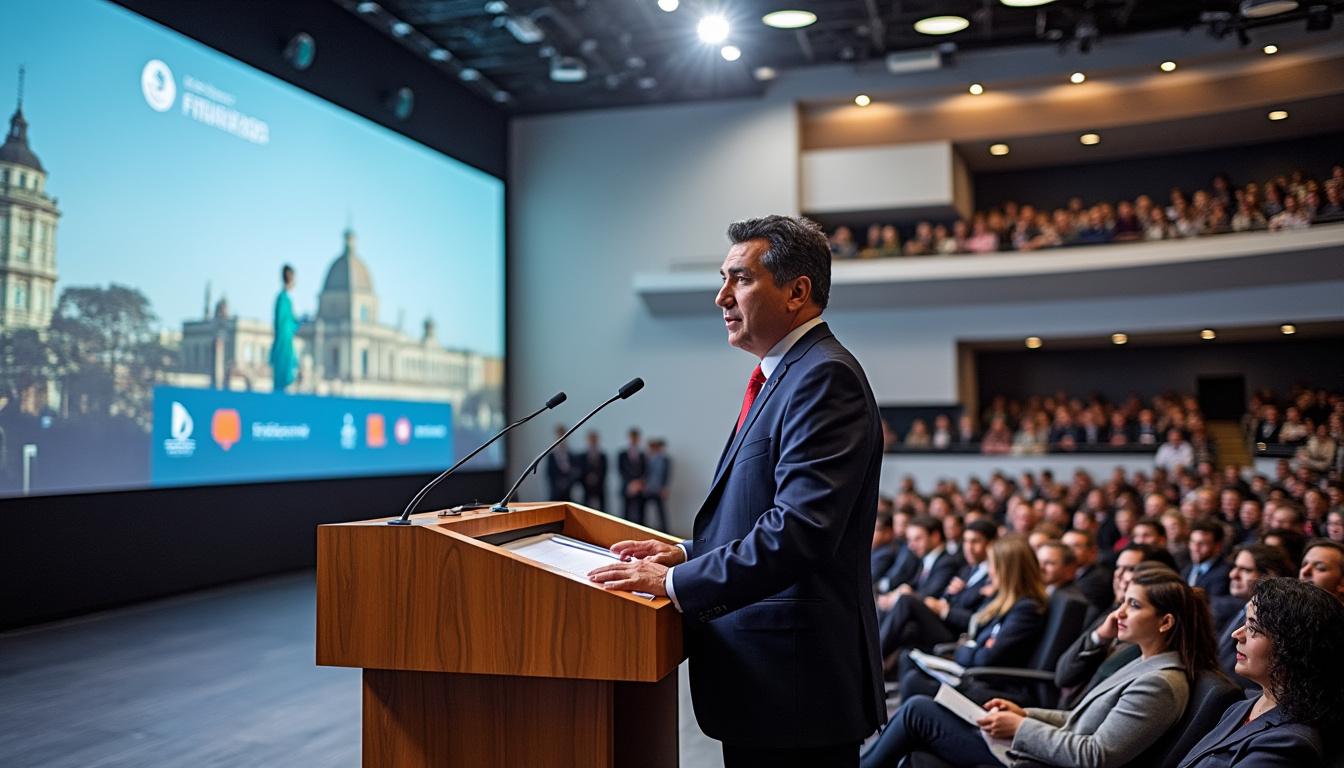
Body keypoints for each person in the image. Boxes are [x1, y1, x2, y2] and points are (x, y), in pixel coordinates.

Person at [588, 215, 884, 766]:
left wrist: (675, 581)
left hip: (795, 687)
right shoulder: (787, 374)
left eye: (740, 279)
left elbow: (801, 531)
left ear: (798, 291)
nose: (721, 296)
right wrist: (683, 551)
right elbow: (759, 518)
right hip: (771, 685)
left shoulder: (823, 376)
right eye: (723, 279)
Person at [862, 568, 1219, 768]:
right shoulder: (1144, 663)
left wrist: (1020, 728)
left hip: (1042, 765)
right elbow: (1077, 720)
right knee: (916, 746)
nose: (1118, 614)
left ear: (1165, 622)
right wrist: (1025, 713)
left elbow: (1096, 755)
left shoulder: (1160, 683)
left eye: (1133, 606)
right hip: (1040, 752)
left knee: (917, 711)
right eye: (1122, 602)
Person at [1178, 577, 1344, 767]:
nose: (1237, 634)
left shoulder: (1289, 743)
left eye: (1253, 627)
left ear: (1292, 646)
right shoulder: (1243, 706)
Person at [895, 536, 1047, 702]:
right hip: (974, 672)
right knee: (908, 659)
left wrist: (964, 650)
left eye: (993, 565)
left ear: (1007, 571)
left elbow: (985, 658)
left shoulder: (1026, 609)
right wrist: (974, 648)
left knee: (913, 682)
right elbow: (981, 642)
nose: (990, 571)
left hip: (991, 685)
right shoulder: (1004, 601)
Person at [1214, 544, 1295, 689]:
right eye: (1235, 567)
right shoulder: (1241, 608)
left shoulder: (1274, 620)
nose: (1233, 574)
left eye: (1245, 570)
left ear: (1269, 576)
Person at [270, 264, 300, 393]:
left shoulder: (285, 299)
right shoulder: (283, 299)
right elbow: (283, 326)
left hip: (285, 346)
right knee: (282, 382)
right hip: (283, 347)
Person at [1183, 520, 1232, 597]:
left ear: (1218, 546)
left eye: (1202, 543)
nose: (1195, 548)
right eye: (1193, 542)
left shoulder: (1225, 573)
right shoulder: (1187, 568)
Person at [617, 428, 647, 525]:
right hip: (627, 486)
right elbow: (621, 470)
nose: (634, 440)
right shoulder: (622, 454)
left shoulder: (642, 455)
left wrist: (638, 483)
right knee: (625, 512)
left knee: (641, 513)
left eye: (636, 438)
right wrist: (630, 483)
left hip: (640, 487)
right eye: (632, 437)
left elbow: (645, 470)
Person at [642, 438, 671, 532]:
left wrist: (664, 488)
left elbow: (667, 475)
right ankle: (643, 528)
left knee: (661, 512)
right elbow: (644, 473)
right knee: (644, 511)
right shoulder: (647, 459)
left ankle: (665, 531)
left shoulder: (665, 460)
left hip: (659, 489)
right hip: (648, 488)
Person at [544, 424, 576, 502]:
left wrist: (567, 483)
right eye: (560, 435)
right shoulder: (551, 455)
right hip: (555, 493)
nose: (562, 438)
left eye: (564, 435)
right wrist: (558, 483)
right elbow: (549, 473)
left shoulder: (570, 455)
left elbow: (573, 472)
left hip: (568, 494)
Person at [577, 430, 608, 511]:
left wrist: (596, 478)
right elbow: (580, 470)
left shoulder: (602, 455)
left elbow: (604, 470)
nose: (593, 441)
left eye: (594, 439)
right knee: (585, 510)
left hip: (599, 486)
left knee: (601, 510)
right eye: (591, 439)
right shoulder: (582, 456)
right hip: (586, 486)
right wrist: (587, 478)